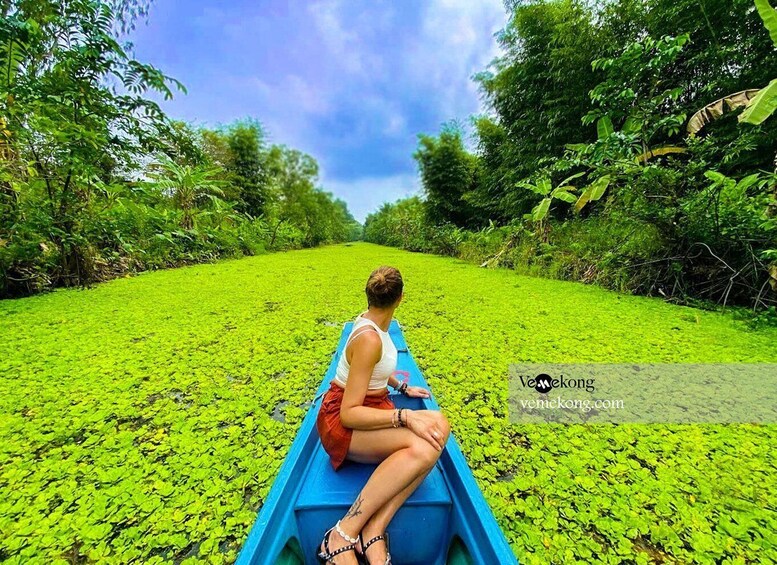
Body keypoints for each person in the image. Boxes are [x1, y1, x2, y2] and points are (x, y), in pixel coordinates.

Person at [315, 266, 451, 565]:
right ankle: (342, 533)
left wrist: (402, 386)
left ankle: (374, 529)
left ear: (369, 296)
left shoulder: (372, 321)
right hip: (342, 423)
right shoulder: (369, 338)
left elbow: (374, 366)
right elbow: (349, 414)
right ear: (401, 298)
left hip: (371, 406)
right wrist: (404, 417)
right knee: (426, 447)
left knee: (440, 425)